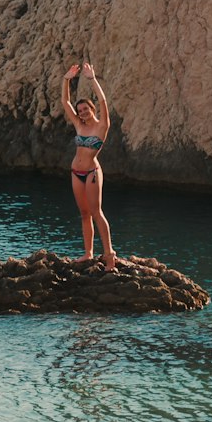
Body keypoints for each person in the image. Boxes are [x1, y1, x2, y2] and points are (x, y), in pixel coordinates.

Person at [61, 61, 116, 270]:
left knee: (96, 212)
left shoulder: (102, 126)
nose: (82, 112)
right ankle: (88, 253)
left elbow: (103, 101)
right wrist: (66, 79)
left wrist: (92, 80)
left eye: (85, 109)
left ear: (91, 109)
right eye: (80, 110)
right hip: (76, 172)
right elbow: (65, 101)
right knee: (84, 214)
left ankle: (109, 254)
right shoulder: (79, 125)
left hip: (92, 172)